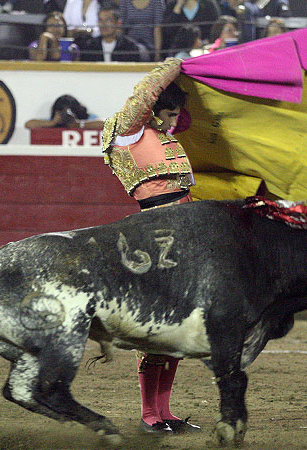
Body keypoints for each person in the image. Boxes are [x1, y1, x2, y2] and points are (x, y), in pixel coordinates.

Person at [101, 58, 200, 434]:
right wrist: (175, 64)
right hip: (156, 235)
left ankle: (166, 412)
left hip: (184, 232)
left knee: (176, 327)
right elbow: (145, 94)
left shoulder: (163, 136)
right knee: (157, 325)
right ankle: (149, 415)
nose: (174, 121)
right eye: (169, 113)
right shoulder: (127, 131)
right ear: (155, 110)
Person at [25, 94, 102, 129]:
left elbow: (104, 124)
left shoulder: (88, 119)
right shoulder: (54, 121)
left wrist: (78, 124)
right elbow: (29, 124)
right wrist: (52, 123)